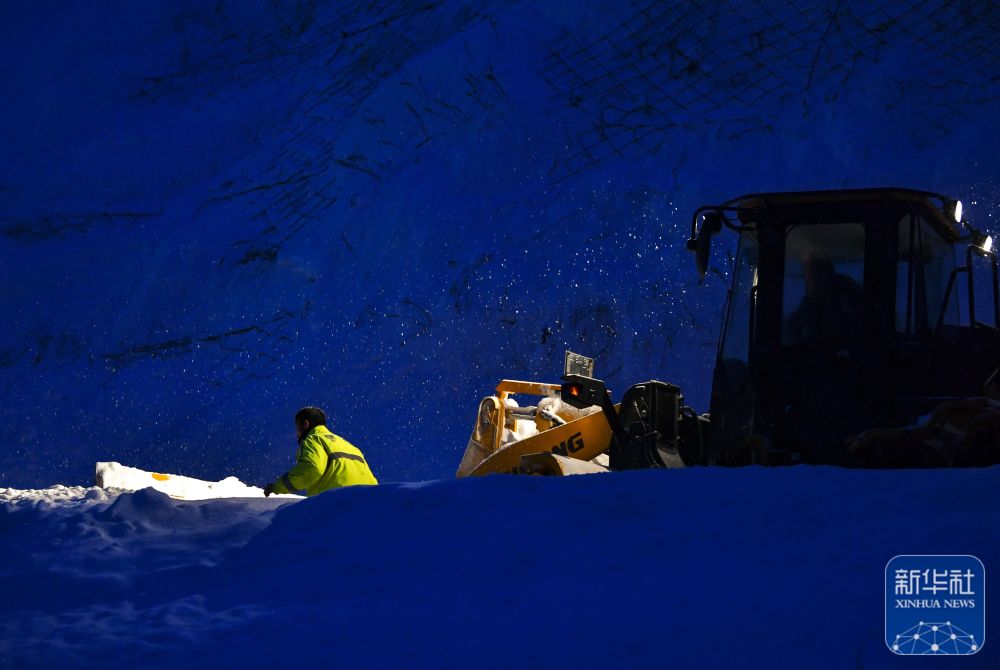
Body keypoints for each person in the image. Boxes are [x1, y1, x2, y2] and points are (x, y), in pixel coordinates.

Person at [264, 406, 377, 497]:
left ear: (305, 424)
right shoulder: (349, 445)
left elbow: (312, 469)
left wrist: (277, 487)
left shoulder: (313, 439)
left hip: (336, 503)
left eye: (297, 427)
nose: (297, 433)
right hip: (367, 501)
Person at [783, 256, 864, 345]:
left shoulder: (846, 289)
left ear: (826, 275)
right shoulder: (811, 301)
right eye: (809, 280)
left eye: (813, 278)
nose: (811, 285)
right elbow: (792, 324)